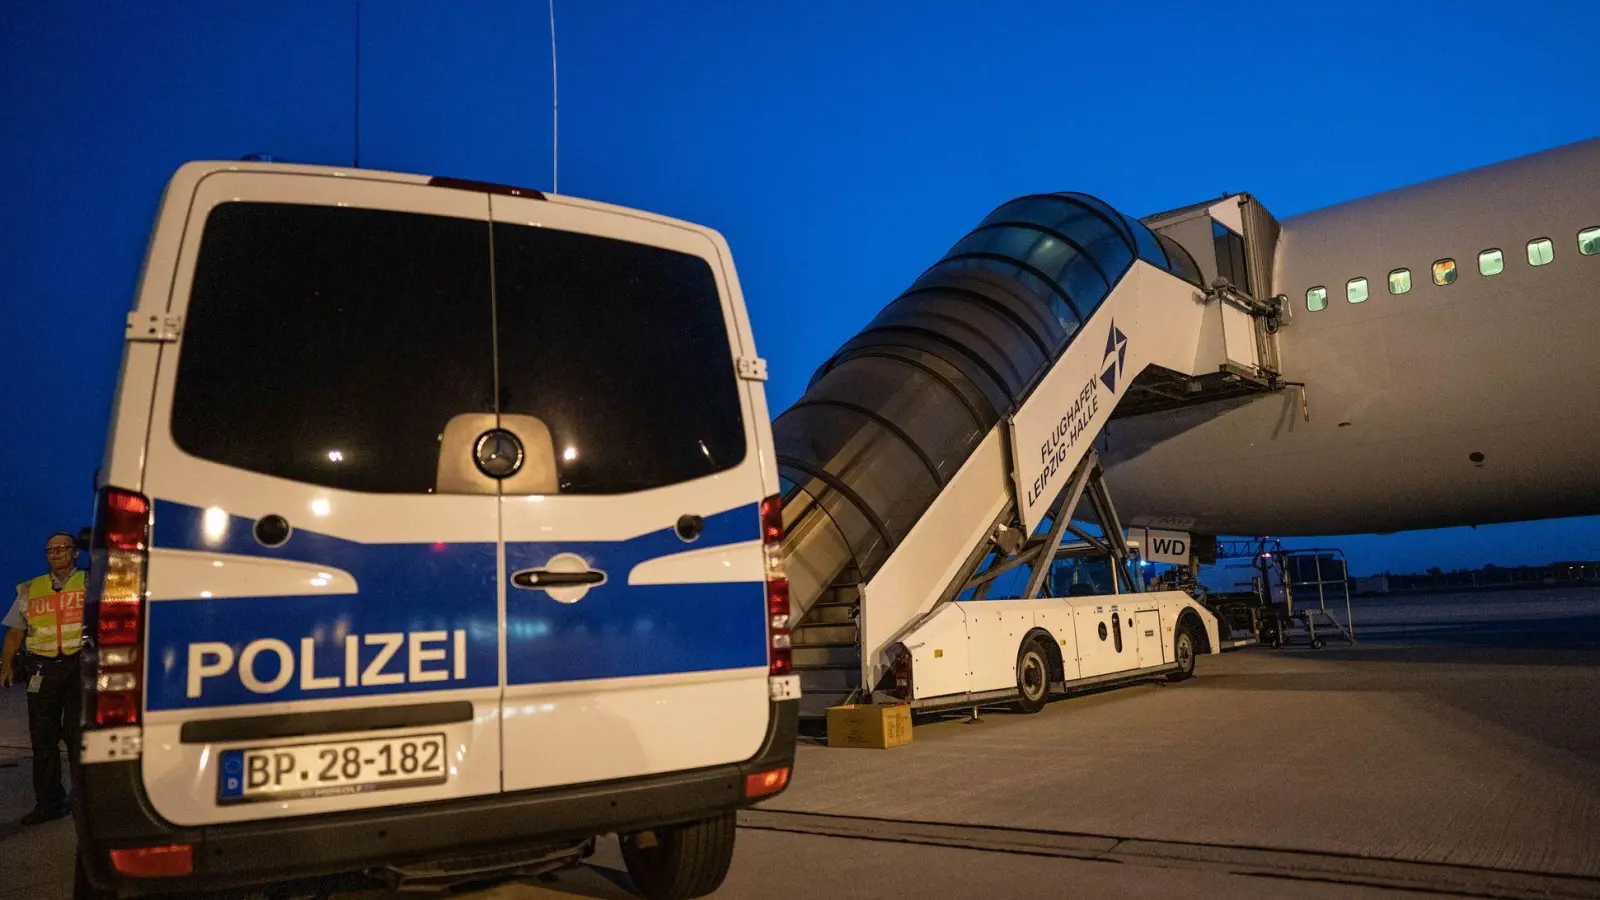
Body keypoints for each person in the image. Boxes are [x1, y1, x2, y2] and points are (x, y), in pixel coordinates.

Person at [1, 532, 85, 825]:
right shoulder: (30, 589)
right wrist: (7, 665)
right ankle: (49, 803)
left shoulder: (89, 583)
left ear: (75, 553)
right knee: (42, 738)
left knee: (79, 737)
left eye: (63, 549)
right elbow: (15, 631)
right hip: (42, 671)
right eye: (50, 550)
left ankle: (85, 800)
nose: (56, 553)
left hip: (79, 668)